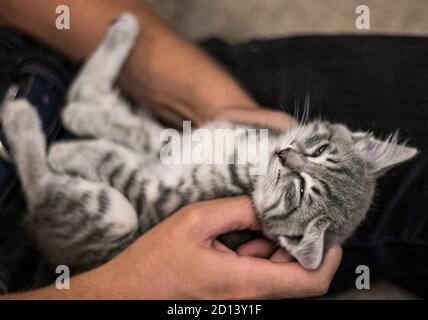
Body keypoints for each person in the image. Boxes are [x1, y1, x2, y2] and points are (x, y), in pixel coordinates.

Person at [0, 0, 342, 299]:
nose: (290, 158)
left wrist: (226, 109)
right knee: (121, 214)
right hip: (58, 255)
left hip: (47, 70)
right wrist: (125, 290)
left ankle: (93, 107)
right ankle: (40, 177)